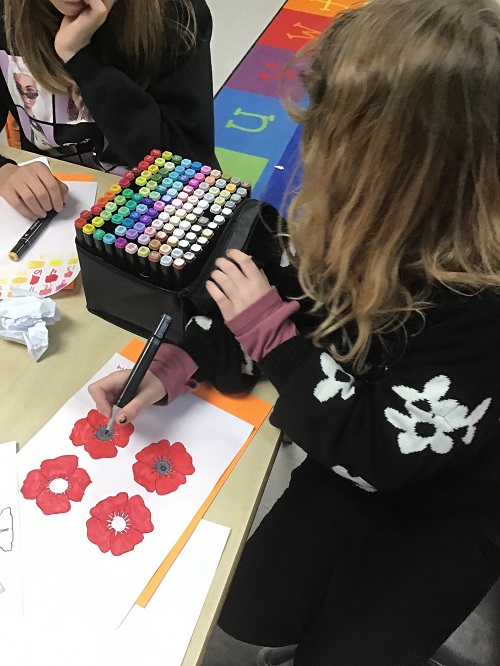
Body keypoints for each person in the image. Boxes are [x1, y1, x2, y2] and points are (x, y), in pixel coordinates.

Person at [88, 0, 500, 664]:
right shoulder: (342, 221)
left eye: (328, 140)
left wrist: (273, 338)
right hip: (343, 449)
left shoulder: (481, 302)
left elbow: (381, 453)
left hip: (444, 503)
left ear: (401, 175)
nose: (309, 156)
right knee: (249, 611)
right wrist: (179, 363)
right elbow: (271, 302)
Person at [0, 0, 216, 220]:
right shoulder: (7, 15)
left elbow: (187, 169)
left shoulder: (176, 14)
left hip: (161, 207)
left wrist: (79, 59)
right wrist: (4, 171)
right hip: (52, 208)